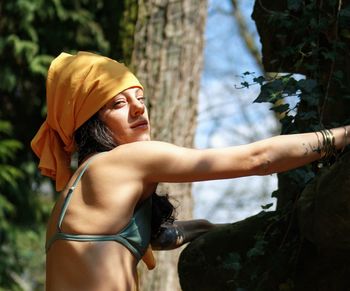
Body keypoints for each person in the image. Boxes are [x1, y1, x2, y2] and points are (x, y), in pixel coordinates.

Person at [31, 51, 350, 291]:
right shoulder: (126, 161)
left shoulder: (81, 184)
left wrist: (212, 228)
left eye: (140, 98)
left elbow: (162, 237)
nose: (139, 108)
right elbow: (258, 158)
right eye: (118, 103)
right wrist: (341, 136)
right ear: (90, 121)